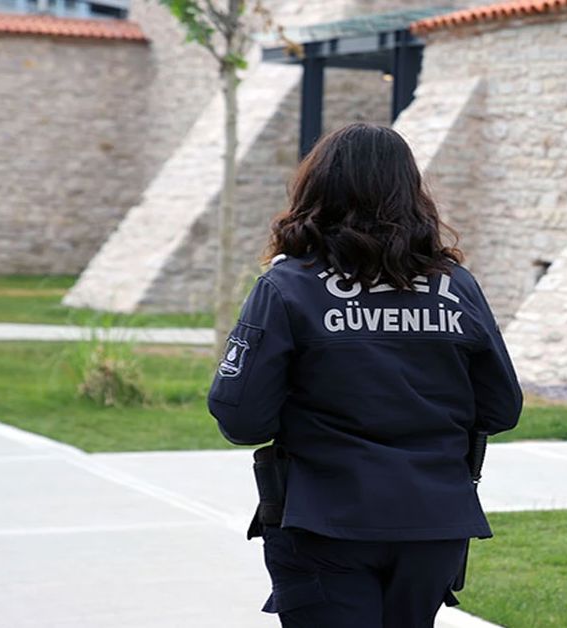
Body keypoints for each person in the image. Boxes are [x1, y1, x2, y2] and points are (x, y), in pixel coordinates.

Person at [207, 123, 522, 628]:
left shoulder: (288, 286)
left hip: (324, 522)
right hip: (433, 523)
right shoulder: (455, 286)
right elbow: (501, 408)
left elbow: (241, 418)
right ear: (411, 194)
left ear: (316, 190)